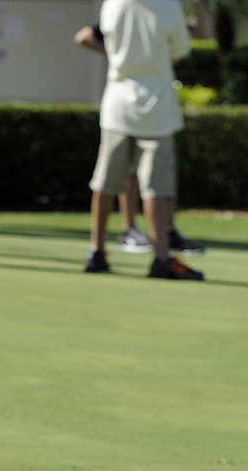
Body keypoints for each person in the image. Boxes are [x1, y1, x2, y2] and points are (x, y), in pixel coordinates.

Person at [77, 0, 204, 280]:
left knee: (105, 183)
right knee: (156, 188)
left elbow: (101, 40)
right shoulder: (169, 6)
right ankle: (160, 258)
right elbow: (180, 51)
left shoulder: (113, 4)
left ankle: (96, 252)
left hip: (117, 105)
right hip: (157, 109)